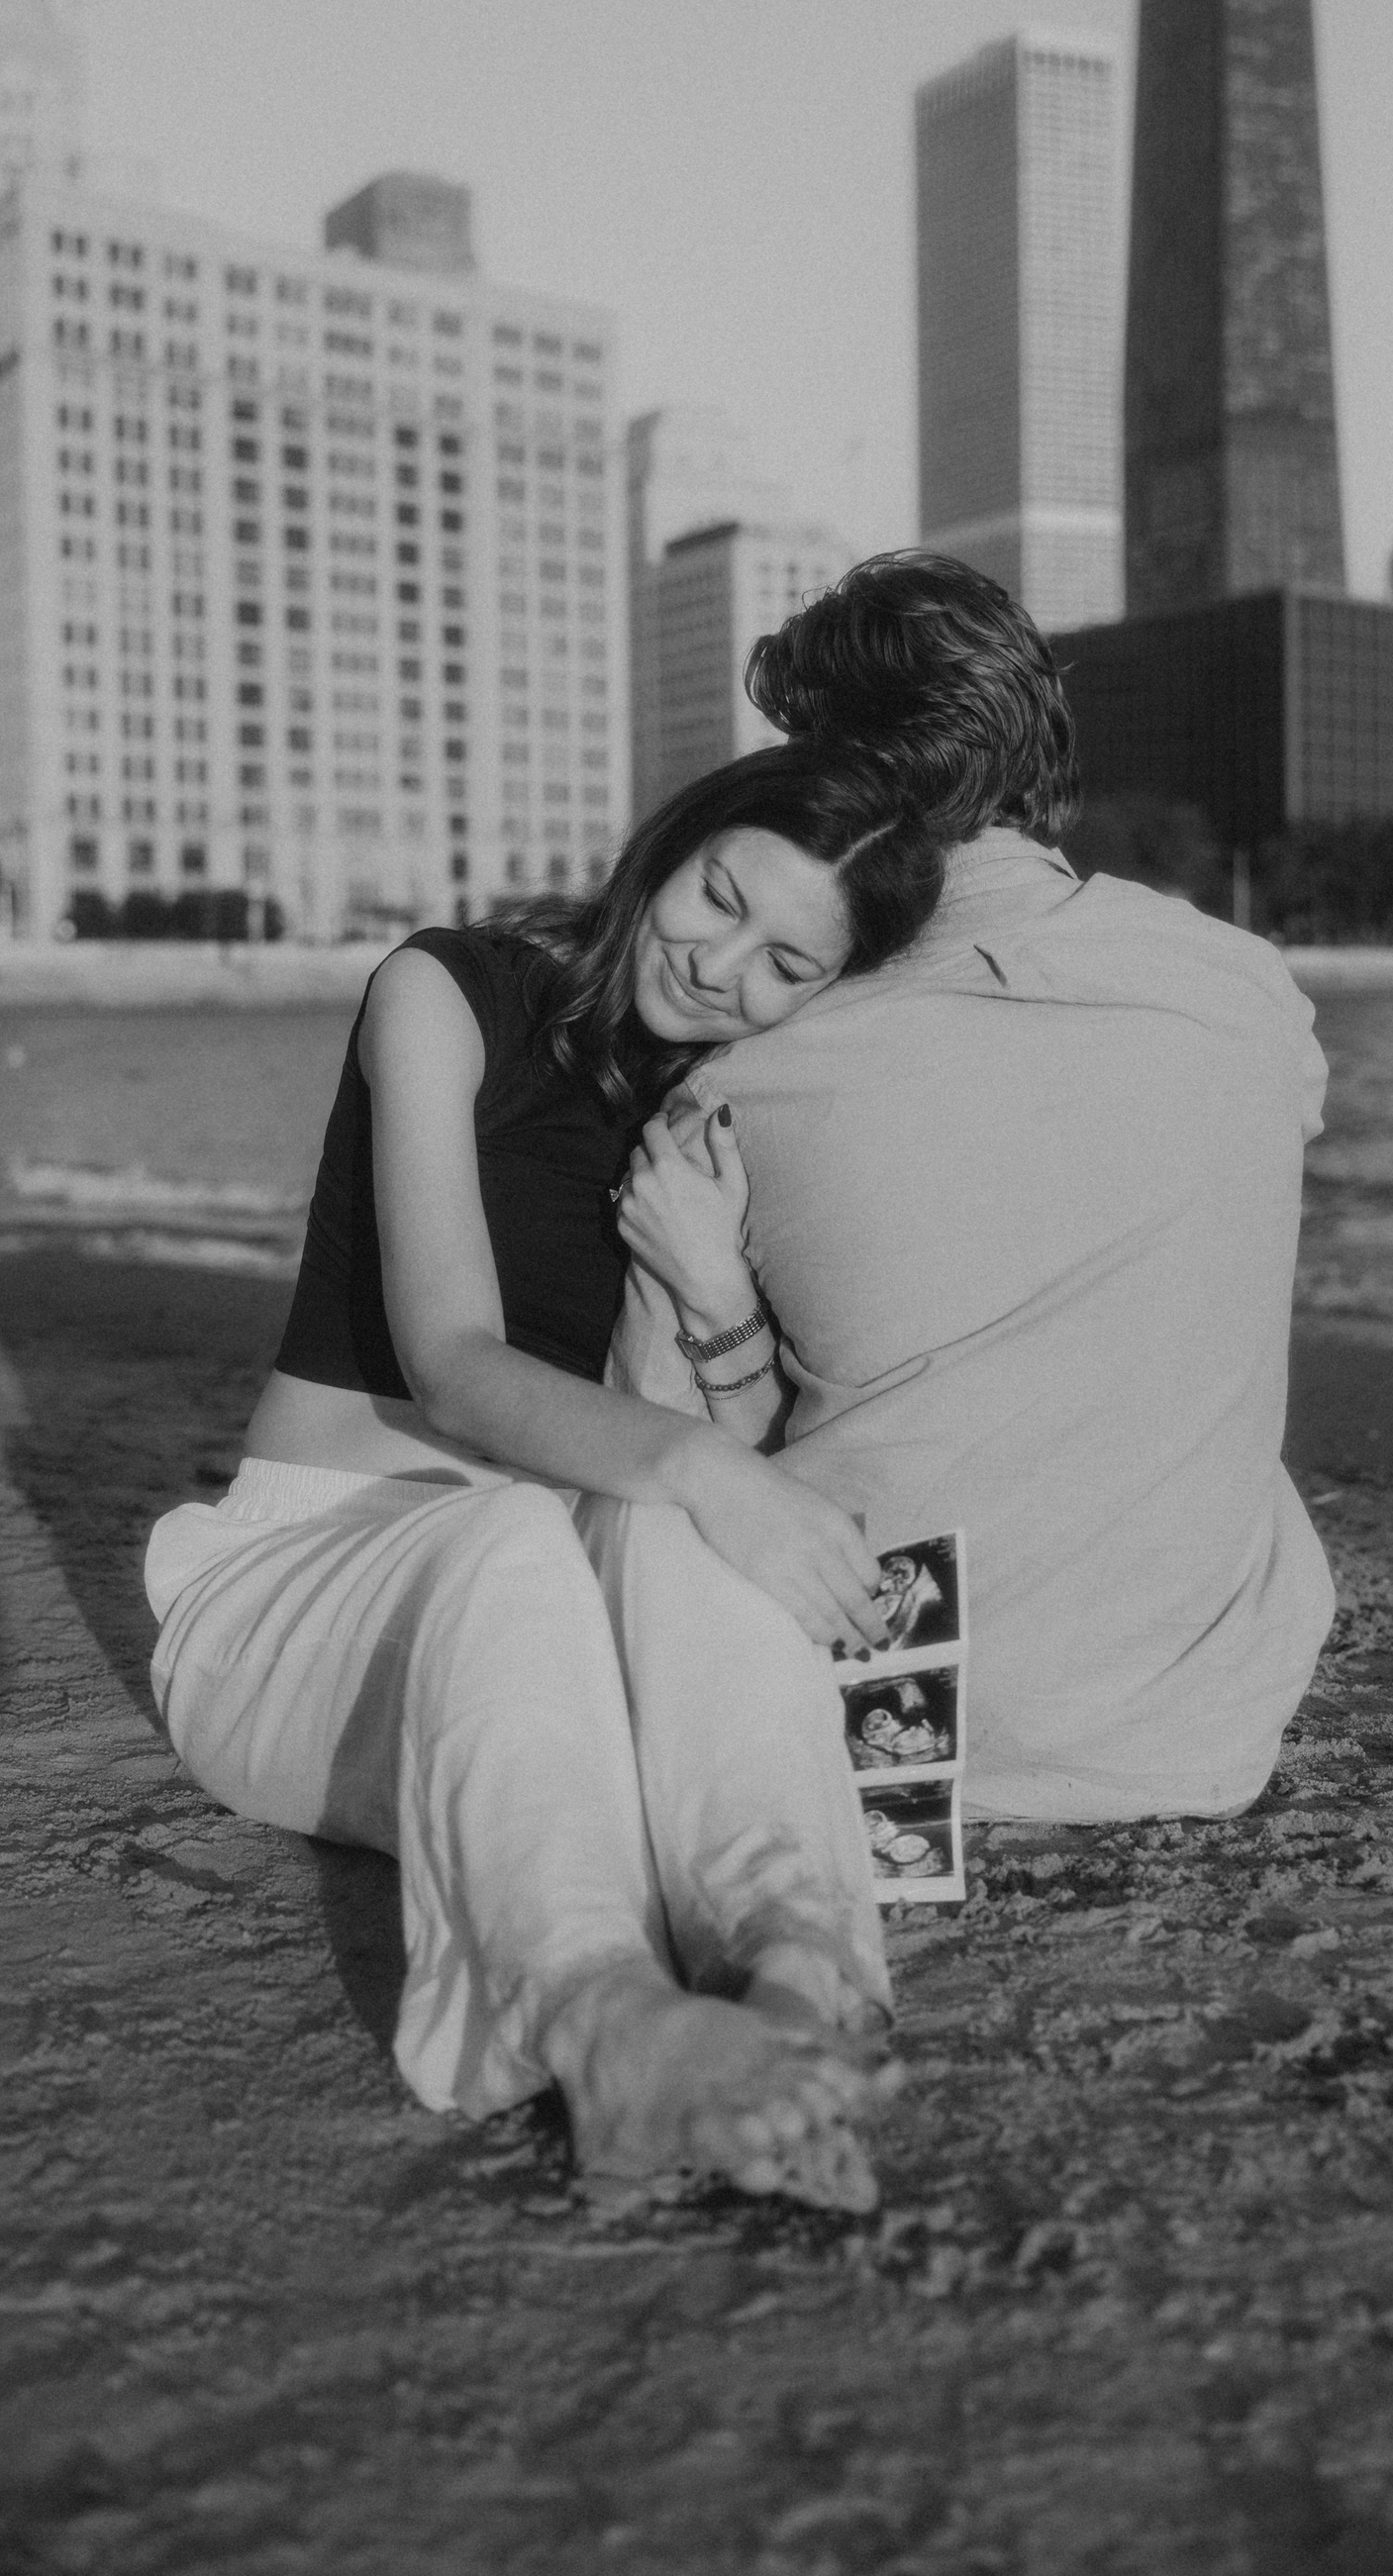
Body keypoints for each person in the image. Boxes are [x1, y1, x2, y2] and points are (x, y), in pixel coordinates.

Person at [142, 743, 944, 2213]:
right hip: (298, 1596)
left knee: (672, 1528)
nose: (721, 969)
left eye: (787, 965)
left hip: (546, 1633)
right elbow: (453, 1364)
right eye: (719, 899)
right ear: (670, 846)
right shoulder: (446, 995)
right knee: (561, 1519)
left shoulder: (729, 1108)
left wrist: (714, 1296)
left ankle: (797, 1978)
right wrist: (701, 1466)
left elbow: (741, 1467)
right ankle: (601, 2022)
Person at [620, 552, 1337, 1825]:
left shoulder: (741, 1085)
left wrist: (726, 1316)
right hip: (1202, 1733)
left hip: (892, 1742)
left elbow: (660, 1453)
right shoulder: (1255, 994)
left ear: (829, 776)